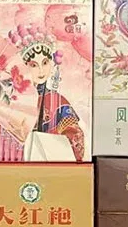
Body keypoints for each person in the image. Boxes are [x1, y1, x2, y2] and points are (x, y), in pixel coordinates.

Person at [11, 26, 85, 162]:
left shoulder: (57, 100)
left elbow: (75, 135)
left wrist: (63, 138)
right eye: (33, 65)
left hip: (50, 162)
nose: (41, 70)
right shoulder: (12, 100)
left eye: (45, 63)